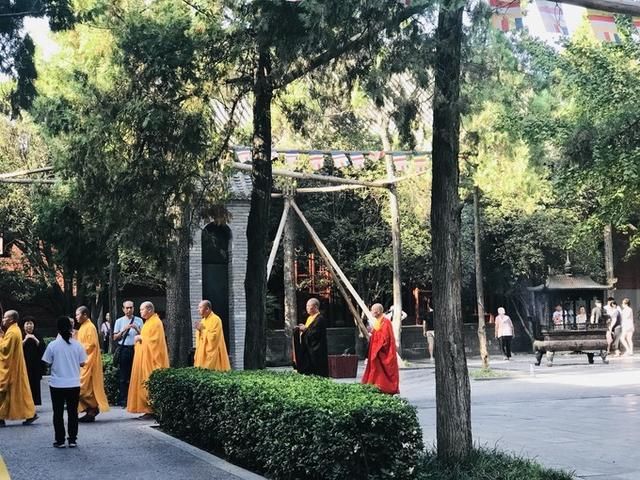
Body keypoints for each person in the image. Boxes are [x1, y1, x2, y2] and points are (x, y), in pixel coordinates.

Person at [42, 316, 87, 448]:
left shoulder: (53, 345)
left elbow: (47, 362)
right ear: (71, 328)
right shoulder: (77, 345)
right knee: (73, 412)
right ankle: (72, 439)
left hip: (57, 384)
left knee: (58, 413)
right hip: (73, 383)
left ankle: (60, 440)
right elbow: (83, 363)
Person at [127, 301, 169, 420]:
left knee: (148, 384)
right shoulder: (148, 322)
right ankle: (148, 409)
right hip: (146, 359)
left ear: (150, 310)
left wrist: (141, 338)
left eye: (142, 309)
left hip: (153, 361)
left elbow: (154, 342)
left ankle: (152, 410)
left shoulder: (156, 322)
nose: (140, 312)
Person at [0, 310, 37, 427]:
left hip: (11, 369)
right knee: (19, 394)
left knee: (4, 393)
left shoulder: (12, 332)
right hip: (14, 367)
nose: (3, 319)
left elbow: (5, 349)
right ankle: (30, 414)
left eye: (5, 318)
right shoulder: (14, 330)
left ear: (11, 319)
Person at [75, 306, 110, 422]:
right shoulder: (83, 327)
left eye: (78, 315)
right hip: (83, 362)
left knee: (83, 389)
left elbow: (91, 345)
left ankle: (93, 408)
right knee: (84, 388)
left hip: (89, 361)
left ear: (85, 315)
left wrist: (78, 351)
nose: (76, 317)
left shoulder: (90, 327)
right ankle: (90, 410)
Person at [362, 303, 399, 394]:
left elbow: (386, 339)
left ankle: (384, 387)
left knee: (380, 372)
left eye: (372, 310)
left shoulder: (386, 322)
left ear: (378, 311)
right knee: (375, 370)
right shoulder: (379, 322)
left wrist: (376, 348)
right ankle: (374, 385)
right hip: (376, 352)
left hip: (381, 353)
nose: (371, 312)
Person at [112, 301, 143, 407]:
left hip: (135, 349)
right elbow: (115, 337)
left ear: (134, 308)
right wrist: (124, 330)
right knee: (123, 376)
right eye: (127, 308)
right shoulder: (119, 321)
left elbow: (144, 336)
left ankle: (134, 398)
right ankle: (123, 399)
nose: (129, 310)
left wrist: (136, 329)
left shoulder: (139, 320)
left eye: (131, 308)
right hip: (124, 349)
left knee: (135, 374)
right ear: (123, 309)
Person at [293, 298, 328, 377]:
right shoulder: (309, 318)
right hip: (309, 349)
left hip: (317, 350)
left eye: (309, 306)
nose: (307, 308)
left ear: (315, 307)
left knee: (316, 371)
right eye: (306, 306)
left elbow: (315, 334)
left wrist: (305, 330)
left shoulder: (319, 319)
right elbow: (309, 331)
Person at [194, 300, 230, 371]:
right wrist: (199, 331)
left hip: (213, 354)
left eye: (200, 307)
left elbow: (214, 337)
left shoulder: (216, 320)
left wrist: (202, 330)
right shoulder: (203, 321)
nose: (198, 309)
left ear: (207, 309)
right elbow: (199, 338)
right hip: (202, 354)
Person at [22, 317, 46, 407]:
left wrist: (35, 339)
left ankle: (34, 403)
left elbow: (42, 347)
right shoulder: (21, 334)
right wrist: (25, 340)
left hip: (36, 365)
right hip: (24, 364)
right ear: (24, 325)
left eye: (31, 324)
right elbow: (17, 348)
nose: (29, 326)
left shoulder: (37, 335)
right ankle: (25, 403)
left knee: (35, 384)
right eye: (27, 324)